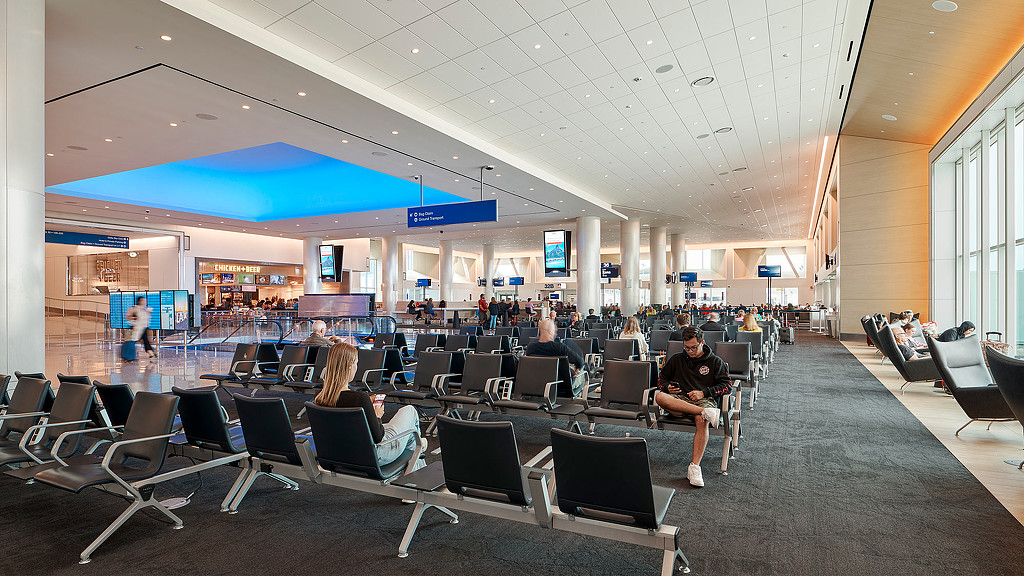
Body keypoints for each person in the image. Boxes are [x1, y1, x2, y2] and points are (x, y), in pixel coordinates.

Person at [313, 343, 425, 470]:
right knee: (409, 411)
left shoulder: (319, 397)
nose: (356, 367)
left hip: (337, 453)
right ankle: (420, 446)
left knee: (410, 438)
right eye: (356, 363)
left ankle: (418, 451)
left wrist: (367, 405)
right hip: (373, 456)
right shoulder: (360, 398)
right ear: (349, 366)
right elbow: (378, 437)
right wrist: (377, 415)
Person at [653, 326, 728, 488]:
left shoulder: (715, 361)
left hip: (704, 399)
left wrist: (704, 392)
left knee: (701, 420)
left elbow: (726, 386)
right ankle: (705, 412)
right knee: (659, 396)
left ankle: (694, 467)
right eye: (687, 348)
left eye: (694, 347)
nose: (690, 351)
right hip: (680, 401)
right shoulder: (677, 359)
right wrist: (667, 387)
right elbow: (661, 380)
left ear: (702, 343)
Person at [525, 319, 587, 397]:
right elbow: (580, 362)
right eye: (555, 331)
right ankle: (579, 401)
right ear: (550, 331)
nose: (555, 333)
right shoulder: (559, 347)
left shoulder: (531, 348)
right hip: (561, 388)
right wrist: (576, 369)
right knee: (583, 373)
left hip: (537, 386)